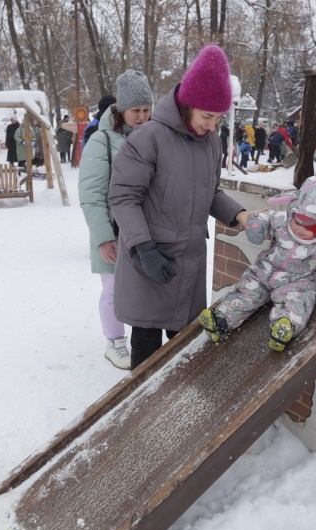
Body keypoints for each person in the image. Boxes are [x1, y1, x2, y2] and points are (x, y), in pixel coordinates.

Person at [108, 44, 250, 369]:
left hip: (188, 265)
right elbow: (122, 196)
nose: (213, 125)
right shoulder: (149, 138)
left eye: (219, 117)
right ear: (188, 105)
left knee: (182, 353)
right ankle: (140, 414)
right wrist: (143, 248)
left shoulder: (210, 143)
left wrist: (238, 214)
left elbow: (209, 192)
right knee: (146, 352)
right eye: (207, 116)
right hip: (150, 261)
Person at [198, 176, 316, 351]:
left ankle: (284, 327)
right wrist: (256, 226)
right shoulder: (282, 221)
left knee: (297, 304)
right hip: (263, 273)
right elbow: (266, 218)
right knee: (245, 293)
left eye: (310, 227)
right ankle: (221, 320)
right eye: (297, 221)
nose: (300, 228)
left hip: (297, 282)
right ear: (292, 211)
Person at [79, 69, 154, 370]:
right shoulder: (101, 142)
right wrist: (103, 238)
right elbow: (91, 193)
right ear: (122, 109)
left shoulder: (153, 136)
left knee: (139, 290)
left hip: (143, 230)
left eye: (147, 110)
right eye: (135, 110)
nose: (141, 116)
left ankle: (139, 339)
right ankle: (115, 342)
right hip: (112, 229)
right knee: (113, 290)